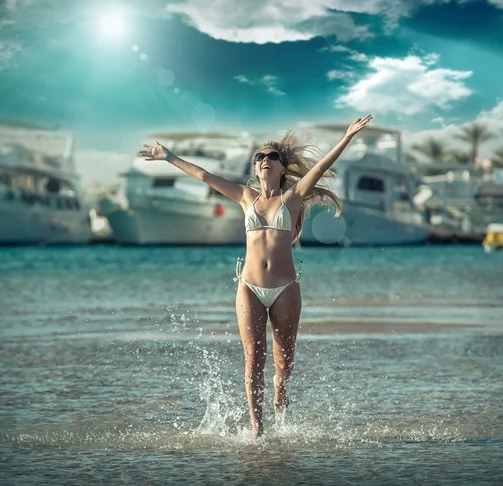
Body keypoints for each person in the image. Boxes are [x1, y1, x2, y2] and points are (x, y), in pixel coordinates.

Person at [138, 115, 372, 438]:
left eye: (271, 157)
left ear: (281, 167)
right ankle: (257, 430)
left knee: (284, 361)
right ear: (256, 168)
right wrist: (167, 157)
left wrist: (347, 137)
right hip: (248, 287)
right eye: (259, 157)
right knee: (252, 358)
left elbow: (320, 168)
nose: (264, 160)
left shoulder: (291, 199)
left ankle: (280, 387)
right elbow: (204, 176)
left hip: (285, 288)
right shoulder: (245, 196)